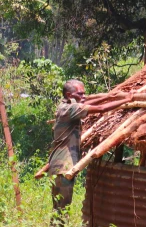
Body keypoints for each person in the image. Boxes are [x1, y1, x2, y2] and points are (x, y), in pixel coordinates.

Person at [43, 80, 132, 217]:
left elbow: (89, 103)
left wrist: (110, 96)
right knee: (63, 207)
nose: (84, 96)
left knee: (58, 206)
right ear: (69, 95)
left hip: (57, 165)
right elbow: (101, 109)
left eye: (84, 93)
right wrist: (126, 100)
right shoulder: (70, 109)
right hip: (64, 167)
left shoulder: (65, 107)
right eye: (80, 94)